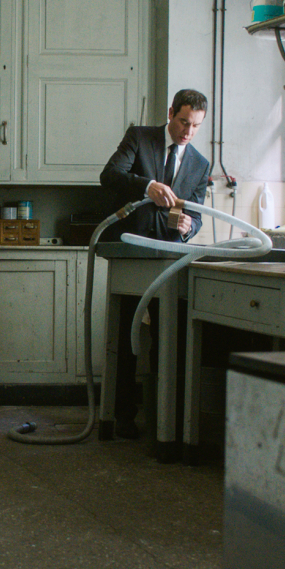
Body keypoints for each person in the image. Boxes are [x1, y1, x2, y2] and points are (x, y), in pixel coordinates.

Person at [99, 89, 210, 440]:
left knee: (168, 336)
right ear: (170, 112)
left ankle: (166, 418)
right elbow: (109, 175)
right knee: (125, 336)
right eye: (183, 122)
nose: (187, 132)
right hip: (131, 252)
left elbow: (197, 214)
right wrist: (146, 186)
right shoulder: (140, 138)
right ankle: (121, 416)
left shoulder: (200, 164)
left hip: (168, 257)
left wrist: (189, 226)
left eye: (195, 126)